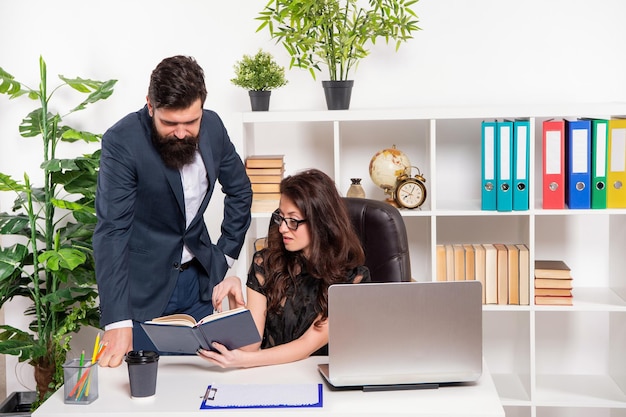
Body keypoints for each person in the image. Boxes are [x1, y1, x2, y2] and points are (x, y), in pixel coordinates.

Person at [93, 55, 252, 367]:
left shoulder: (214, 127)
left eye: (190, 122)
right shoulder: (122, 141)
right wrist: (117, 321)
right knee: (141, 393)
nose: (181, 133)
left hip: (199, 285)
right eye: (169, 123)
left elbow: (240, 190)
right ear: (150, 106)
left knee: (206, 381)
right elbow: (112, 230)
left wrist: (226, 256)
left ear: (202, 108)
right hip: (142, 293)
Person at [200, 168, 371, 368]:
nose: (282, 228)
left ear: (320, 223)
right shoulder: (265, 263)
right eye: (281, 217)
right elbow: (250, 346)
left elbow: (307, 345)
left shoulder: (353, 277)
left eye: (293, 220)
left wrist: (243, 361)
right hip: (270, 374)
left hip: (319, 377)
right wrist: (234, 293)